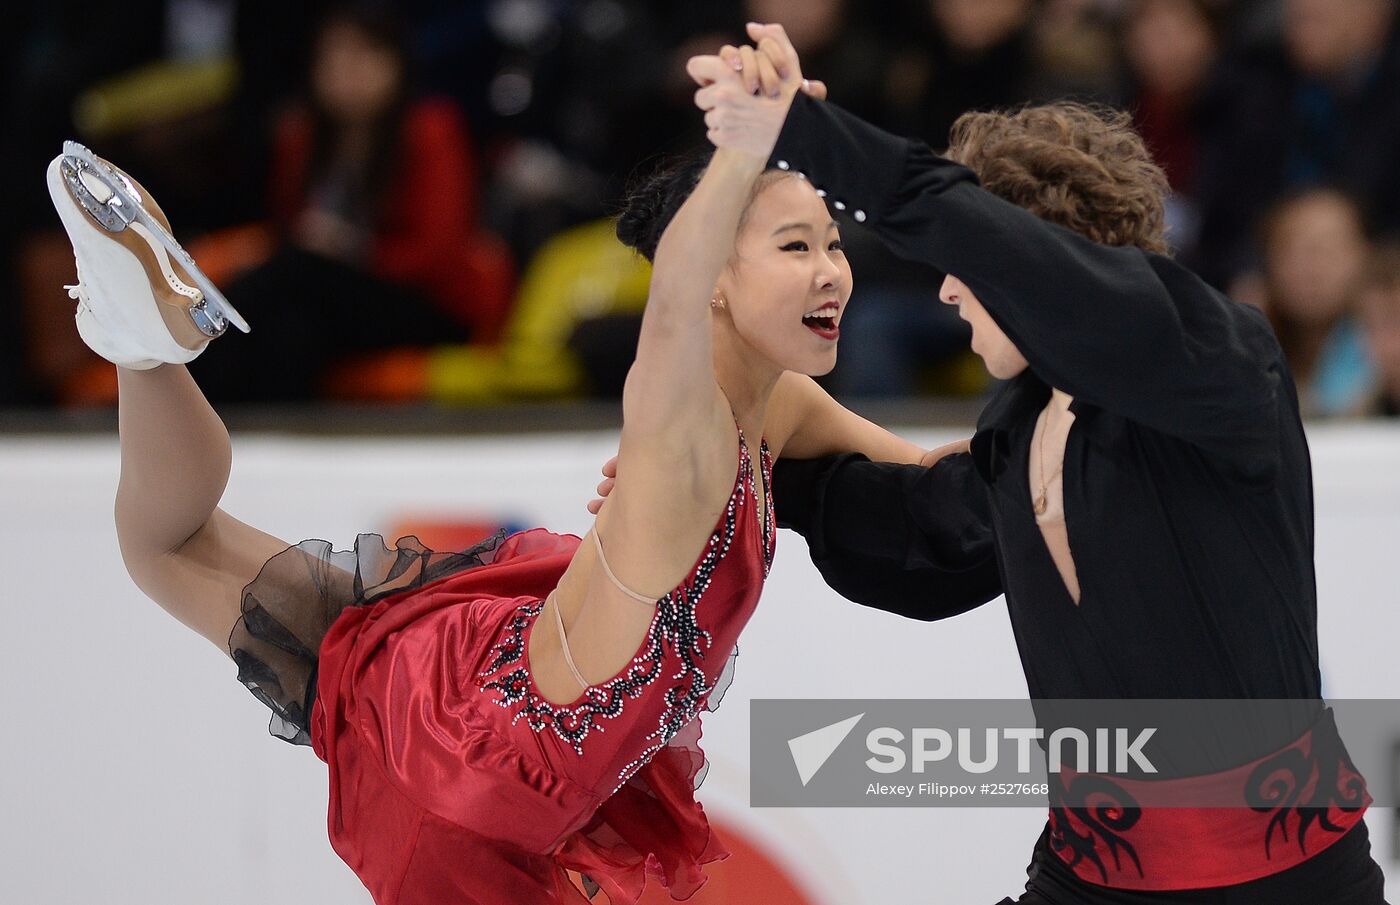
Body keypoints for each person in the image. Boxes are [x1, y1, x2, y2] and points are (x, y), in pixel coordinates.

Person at [44, 42, 951, 902]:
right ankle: (137, 342)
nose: (833, 272)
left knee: (165, 543)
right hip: (482, 795)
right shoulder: (689, 427)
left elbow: (941, 481)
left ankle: (142, 346)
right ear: (714, 273)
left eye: (834, 244)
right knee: (166, 547)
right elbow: (673, 293)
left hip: (479, 683)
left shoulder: (778, 406)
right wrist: (745, 141)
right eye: (796, 247)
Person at [698, 22, 1386, 904]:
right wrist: (743, 465)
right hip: (1086, 875)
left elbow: (998, 247)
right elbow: (923, 534)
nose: (947, 288)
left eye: (966, 263)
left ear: (1030, 262)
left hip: (1285, 883)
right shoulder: (1024, 421)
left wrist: (805, 131)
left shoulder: (1219, 362)